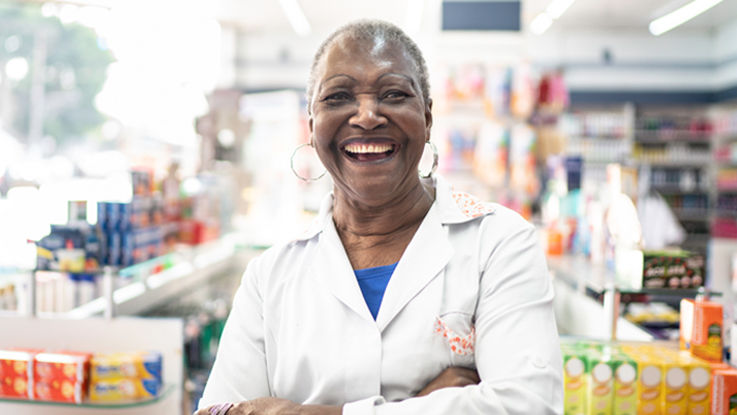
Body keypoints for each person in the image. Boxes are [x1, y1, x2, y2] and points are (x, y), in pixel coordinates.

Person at [196, 20, 563, 415]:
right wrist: (418, 404)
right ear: (311, 124)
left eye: (393, 94)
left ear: (426, 117)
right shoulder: (270, 277)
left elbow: (528, 405)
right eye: (337, 97)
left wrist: (302, 412)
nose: (368, 116)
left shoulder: (499, 243)